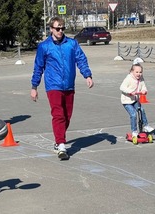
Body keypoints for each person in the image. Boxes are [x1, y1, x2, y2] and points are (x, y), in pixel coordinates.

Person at [30, 16, 94, 160]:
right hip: (53, 85)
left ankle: (59, 138)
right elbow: (38, 67)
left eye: (62, 28)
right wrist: (34, 87)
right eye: (57, 28)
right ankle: (61, 144)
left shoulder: (71, 44)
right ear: (51, 29)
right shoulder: (44, 46)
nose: (60, 31)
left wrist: (87, 75)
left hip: (69, 85)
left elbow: (81, 59)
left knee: (67, 116)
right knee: (58, 114)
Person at [120, 63, 154, 137]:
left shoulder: (141, 79)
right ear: (132, 72)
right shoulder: (128, 78)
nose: (139, 74)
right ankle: (134, 131)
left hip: (135, 100)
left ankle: (146, 126)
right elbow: (122, 87)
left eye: (140, 72)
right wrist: (130, 92)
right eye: (137, 72)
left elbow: (143, 87)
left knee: (141, 110)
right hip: (127, 101)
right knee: (133, 114)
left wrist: (144, 91)